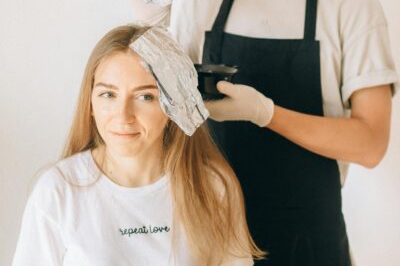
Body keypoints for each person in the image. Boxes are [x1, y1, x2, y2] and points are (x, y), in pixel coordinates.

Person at [127, 0, 399, 265]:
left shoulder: (351, 6)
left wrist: (265, 114)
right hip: (213, 240)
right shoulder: (206, 0)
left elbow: (371, 144)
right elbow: (162, 119)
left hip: (308, 244)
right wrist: (152, 28)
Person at [12, 25, 265, 266]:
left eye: (145, 97)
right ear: (90, 103)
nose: (123, 115)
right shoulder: (58, 190)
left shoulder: (212, 185)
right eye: (108, 94)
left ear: (172, 106)